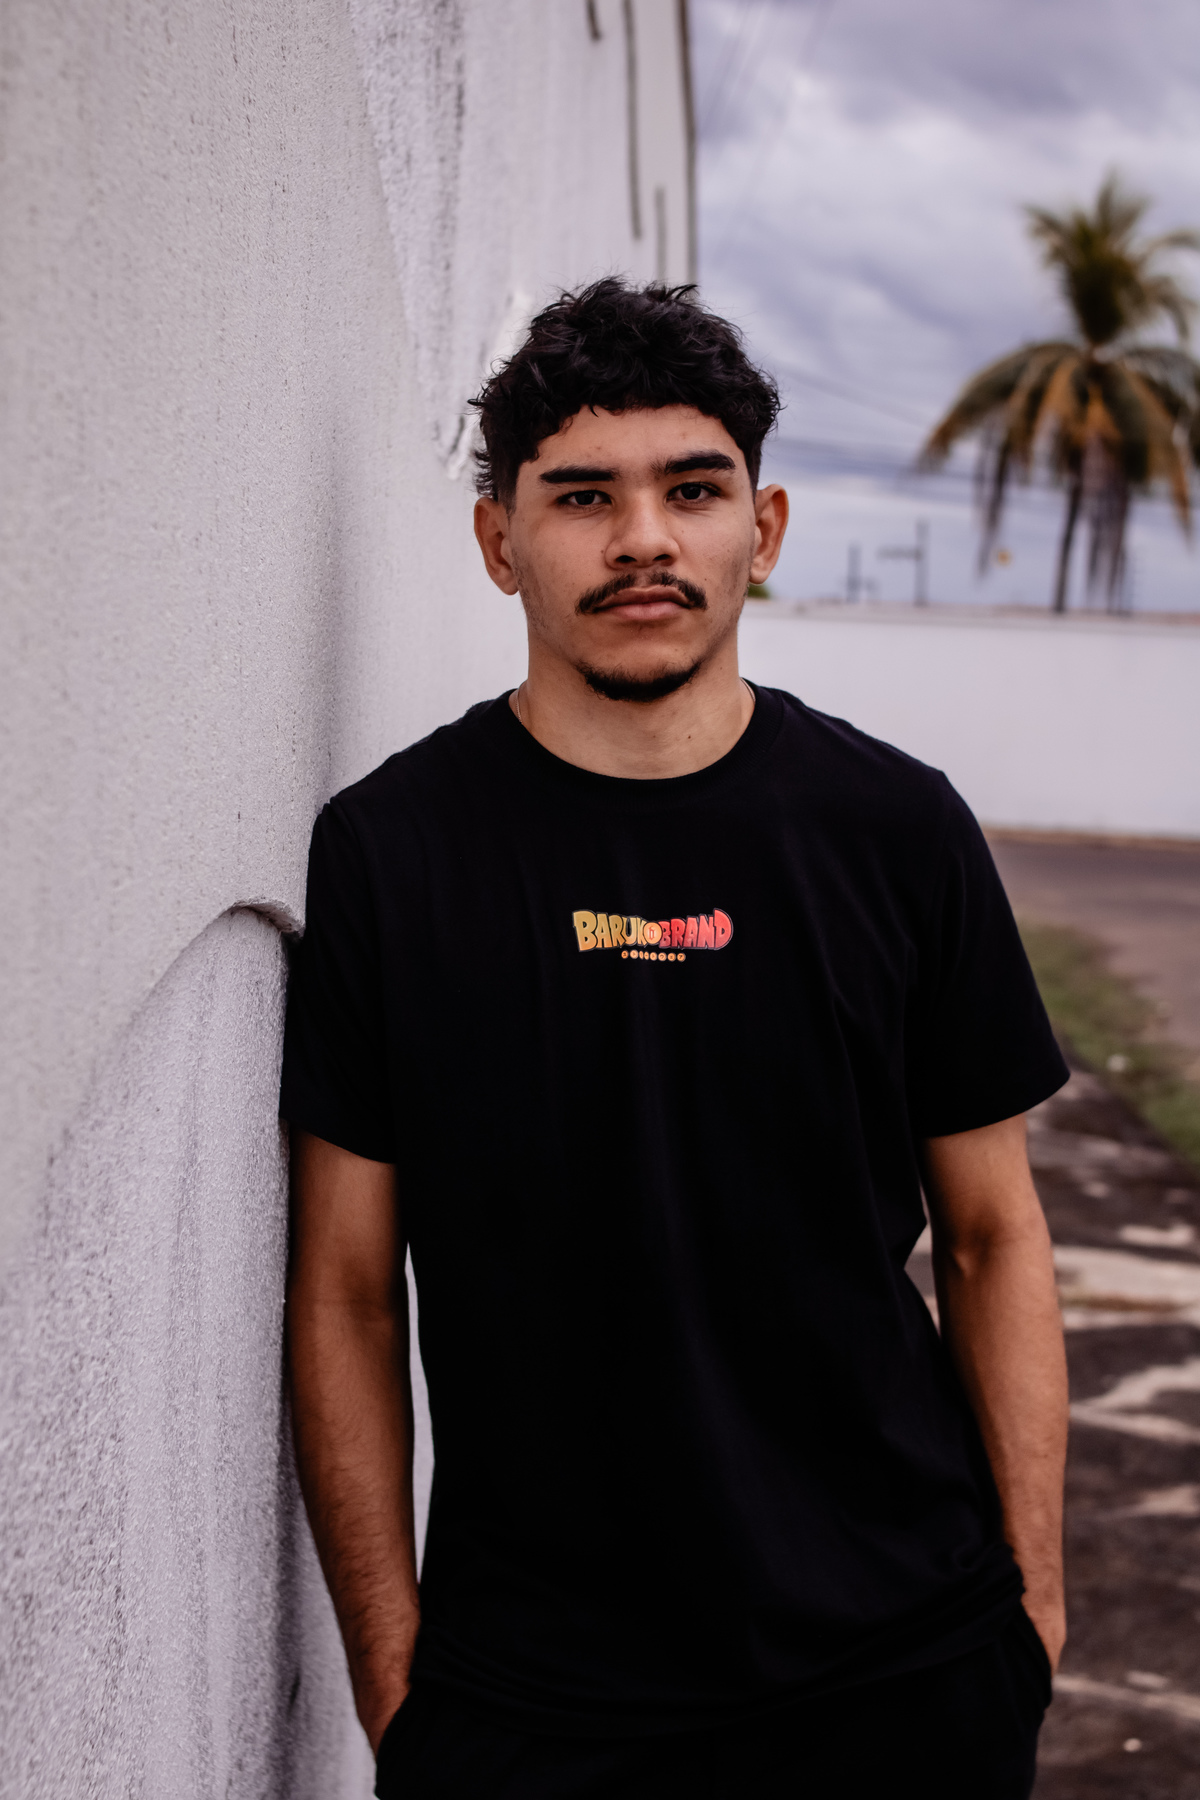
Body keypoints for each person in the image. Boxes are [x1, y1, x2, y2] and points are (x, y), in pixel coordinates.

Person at [282, 278, 1069, 1799]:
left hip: (905, 1670)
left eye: (692, 490)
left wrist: (1030, 1614)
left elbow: (994, 1239)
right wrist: (395, 1686)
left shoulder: (898, 831)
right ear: (500, 542)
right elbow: (346, 1293)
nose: (643, 537)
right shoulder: (393, 851)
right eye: (583, 496)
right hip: (535, 1702)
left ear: (759, 531)